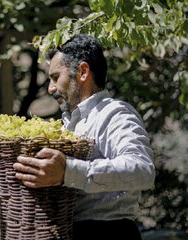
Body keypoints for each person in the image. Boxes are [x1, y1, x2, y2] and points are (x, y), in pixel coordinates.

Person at [13, 34, 155, 240]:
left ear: (82, 72)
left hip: (109, 233)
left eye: (55, 77)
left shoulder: (115, 113)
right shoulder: (67, 125)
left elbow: (143, 170)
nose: (50, 88)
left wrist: (68, 171)